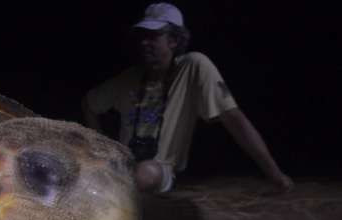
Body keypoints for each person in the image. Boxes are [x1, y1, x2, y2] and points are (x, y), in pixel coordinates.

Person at [82, 2, 294, 194]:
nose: (145, 42)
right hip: (123, 166)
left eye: (154, 36)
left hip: (159, 169)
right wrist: (103, 148)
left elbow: (235, 120)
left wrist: (274, 174)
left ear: (174, 40)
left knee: (146, 172)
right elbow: (89, 104)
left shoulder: (193, 66)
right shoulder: (128, 78)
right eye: (142, 35)